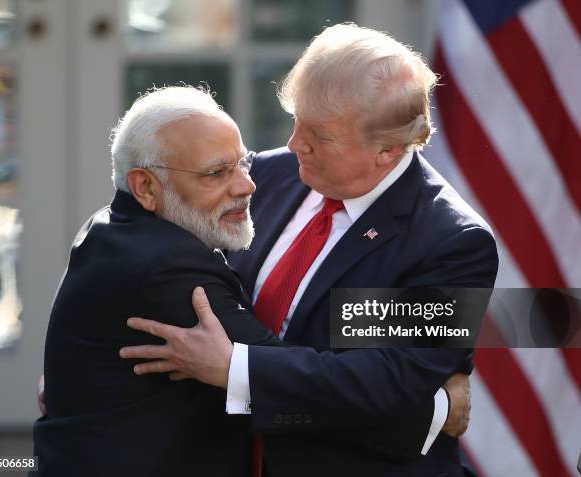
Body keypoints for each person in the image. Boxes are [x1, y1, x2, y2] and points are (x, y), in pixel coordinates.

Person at [119, 24, 498, 476]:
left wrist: (236, 369)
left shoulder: (450, 242)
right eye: (296, 119)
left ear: (387, 150)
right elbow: (137, 230)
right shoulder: (270, 174)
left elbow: (385, 383)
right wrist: (78, 364)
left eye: (319, 134)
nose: (295, 142)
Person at [31, 86, 282, 477]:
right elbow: (286, 385)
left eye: (243, 164)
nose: (246, 186)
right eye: (216, 172)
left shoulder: (109, 225)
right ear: (145, 187)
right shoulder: (167, 266)